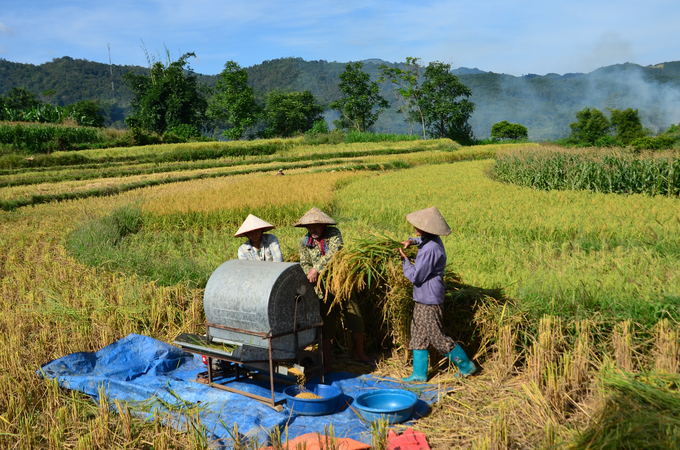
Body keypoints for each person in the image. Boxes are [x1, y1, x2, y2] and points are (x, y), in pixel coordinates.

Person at [399, 206, 476, 381]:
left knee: (437, 336)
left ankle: (465, 365)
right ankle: (419, 374)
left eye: (418, 227)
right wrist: (411, 241)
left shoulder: (430, 249)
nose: (415, 229)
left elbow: (417, 276)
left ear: (428, 229)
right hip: (421, 297)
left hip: (430, 299)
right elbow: (422, 241)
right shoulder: (428, 241)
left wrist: (405, 261)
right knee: (418, 332)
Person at [295, 207, 374, 373]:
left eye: (316, 226)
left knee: (356, 318)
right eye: (309, 227)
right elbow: (304, 264)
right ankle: (326, 364)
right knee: (326, 326)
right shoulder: (304, 243)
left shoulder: (333, 234)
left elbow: (335, 252)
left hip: (342, 284)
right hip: (322, 290)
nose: (312, 229)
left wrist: (316, 269)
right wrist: (311, 273)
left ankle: (359, 354)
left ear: (323, 224)